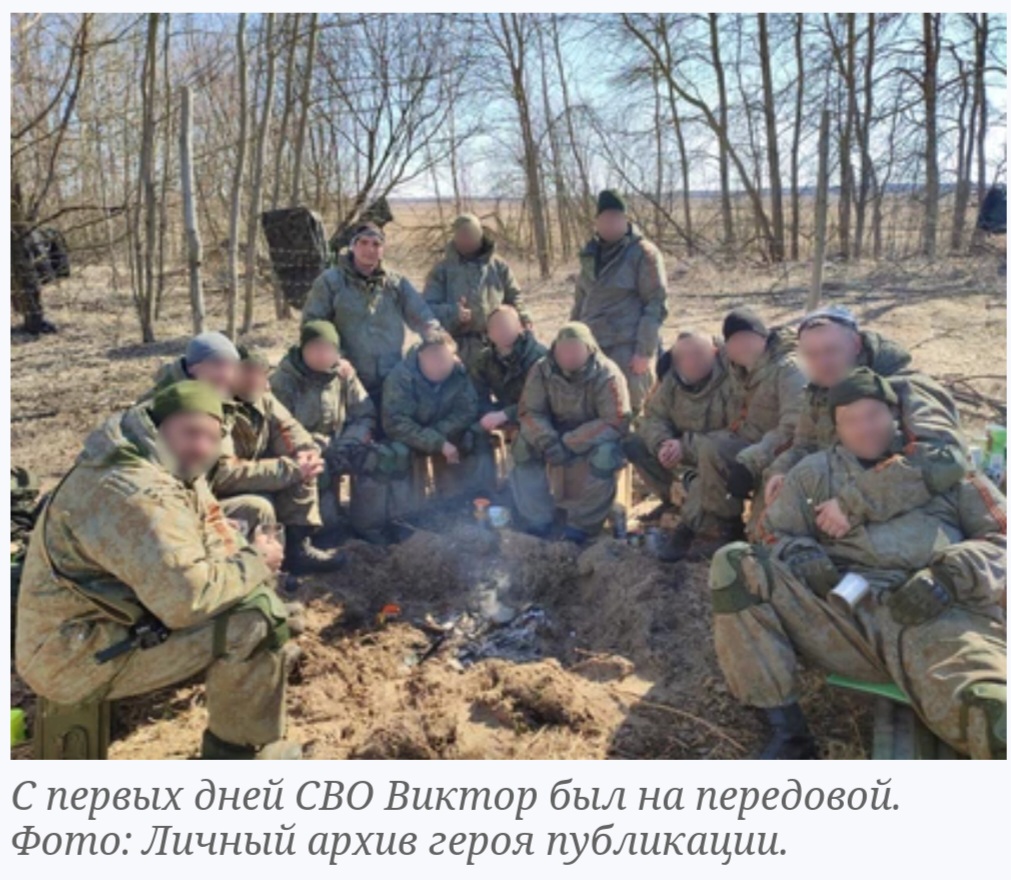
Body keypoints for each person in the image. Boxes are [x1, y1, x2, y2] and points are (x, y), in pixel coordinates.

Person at [710, 368, 1006, 760]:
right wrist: (799, 552)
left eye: (873, 415)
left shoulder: (945, 472)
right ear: (836, 428)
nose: (864, 429)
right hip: (845, 615)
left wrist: (952, 574)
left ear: (894, 415)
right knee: (736, 566)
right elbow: (771, 534)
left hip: (938, 619)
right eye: (850, 420)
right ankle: (787, 734)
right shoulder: (814, 473)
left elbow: (1002, 539)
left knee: (994, 716)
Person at [16, 381, 302, 759]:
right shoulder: (135, 490)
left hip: (106, 623)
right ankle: (236, 755)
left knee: (262, 603)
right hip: (70, 656)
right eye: (190, 432)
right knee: (257, 618)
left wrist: (241, 565)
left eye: (212, 437)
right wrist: (255, 563)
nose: (202, 446)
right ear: (158, 425)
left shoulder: (165, 464)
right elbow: (187, 601)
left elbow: (212, 529)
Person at [763, 305, 965, 511]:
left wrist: (852, 505)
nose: (823, 363)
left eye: (831, 351)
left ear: (856, 345)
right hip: (838, 498)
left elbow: (944, 458)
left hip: (909, 510)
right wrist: (781, 470)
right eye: (812, 355)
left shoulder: (907, 388)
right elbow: (805, 444)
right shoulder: (820, 390)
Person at [220, 346, 344, 574]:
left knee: (304, 465)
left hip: (254, 473)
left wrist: (306, 451)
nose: (254, 379)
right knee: (266, 499)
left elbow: (289, 429)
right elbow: (224, 473)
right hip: (224, 488)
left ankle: (297, 549)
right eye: (247, 371)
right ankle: (264, 567)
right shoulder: (219, 407)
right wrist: (290, 468)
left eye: (260, 372)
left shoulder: (264, 400)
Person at [511, 322, 631, 544]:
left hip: (593, 436)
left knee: (606, 456)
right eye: (563, 350)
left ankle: (583, 525)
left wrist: (571, 443)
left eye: (575, 350)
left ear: (589, 349)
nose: (568, 356)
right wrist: (548, 440)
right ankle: (537, 518)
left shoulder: (607, 373)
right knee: (521, 446)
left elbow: (616, 420)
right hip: (553, 434)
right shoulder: (541, 369)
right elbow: (529, 411)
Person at [301, 221, 441, 408]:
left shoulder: (396, 284)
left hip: (391, 377)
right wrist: (334, 358)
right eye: (363, 242)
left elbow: (422, 316)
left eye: (376, 244)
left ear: (383, 250)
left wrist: (438, 342)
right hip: (345, 375)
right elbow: (313, 324)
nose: (370, 249)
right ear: (353, 246)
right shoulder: (330, 282)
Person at [269, 320, 385, 535]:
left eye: (327, 348)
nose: (321, 355)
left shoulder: (344, 374)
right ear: (302, 350)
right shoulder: (284, 380)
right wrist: (313, 447)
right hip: (304, 450)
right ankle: (316, 532)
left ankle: (368, 525)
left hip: (341, 443)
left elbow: (364, 413)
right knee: (325, 512)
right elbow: (279, 427)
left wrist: (349, 442)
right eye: (315, 348)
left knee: (375, 459)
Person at [624, 330, 737, 521]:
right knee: (634, 443)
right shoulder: (671, 381)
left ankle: (717, 517)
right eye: (682, 357)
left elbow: (737, 431)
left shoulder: (733, 379)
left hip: (717, 455)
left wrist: (685, 446)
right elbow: (653, 417)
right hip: (680, 449)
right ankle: (672, 500)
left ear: (714, 352)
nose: (691, 362)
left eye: (698, 354)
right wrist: (662, 443)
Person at [571, 190, 668, 412]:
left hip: (627, 347)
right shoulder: (590, 255)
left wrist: (644, 351)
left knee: (631, 410)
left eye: (616, 218)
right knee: (593, 410)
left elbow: (656, 305)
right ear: (597, 222)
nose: (610, 224)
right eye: (605, 219)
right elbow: (580, 302)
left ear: (626, 220)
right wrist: (570, 339)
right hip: (592, 346)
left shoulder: (643, 253)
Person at [381, 332, 486, 505]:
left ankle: (461, 500)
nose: (440, 365)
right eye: (433, 358)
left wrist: (438, 436)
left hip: (445, 431)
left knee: (472, 437)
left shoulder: (458, 373)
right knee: (399, 453)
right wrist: (437, 442)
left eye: (445, 359)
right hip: (409, 436)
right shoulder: (400, 378)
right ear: (420, 356)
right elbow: (395, 422)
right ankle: (410, 508)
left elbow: (466, 411)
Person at [422, 213, 531, 372]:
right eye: (462, 235)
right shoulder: (442, 270)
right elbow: (427, 309)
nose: (466, 240)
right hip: (458, 348)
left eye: (471, 234)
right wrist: (453, 313)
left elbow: (515, 297)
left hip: (498, 345)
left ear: (480, 234)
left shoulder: (498, 266)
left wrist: (524, 319)